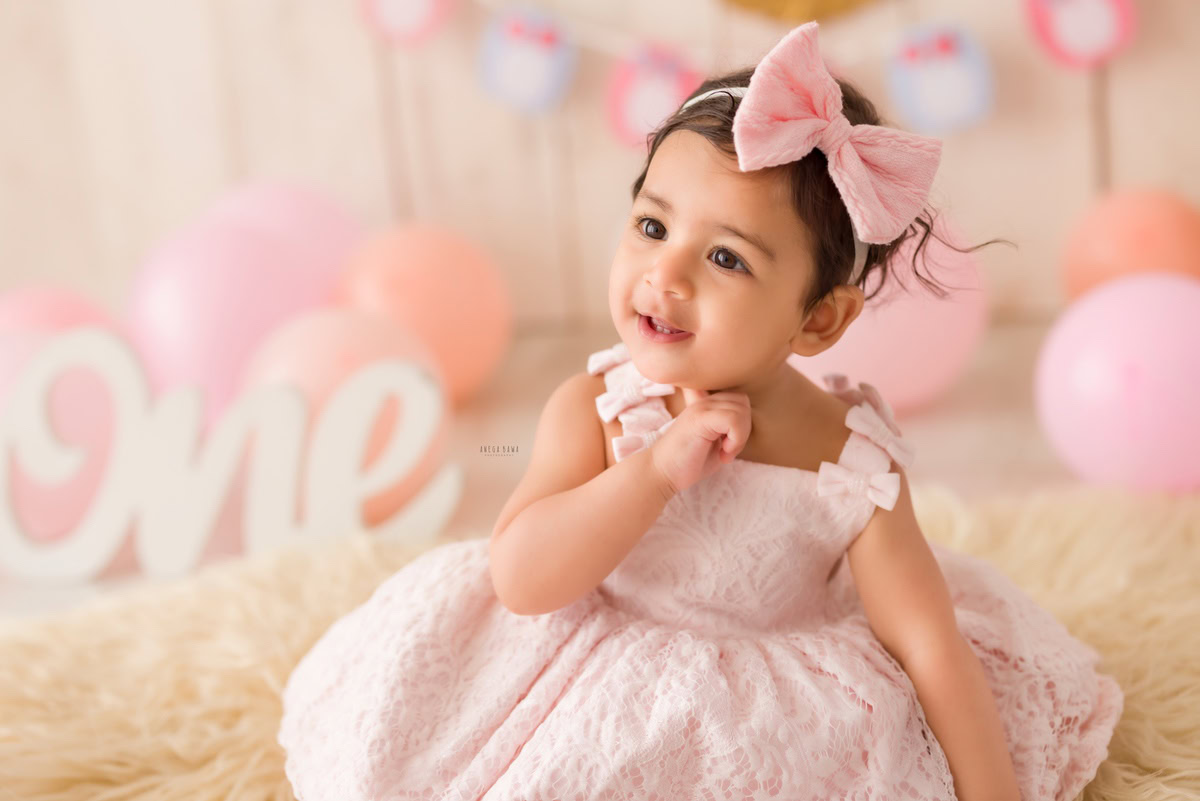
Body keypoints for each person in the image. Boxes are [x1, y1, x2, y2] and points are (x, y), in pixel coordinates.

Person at [277, 21, 1123, 800]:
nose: (666, 274)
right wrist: (650, 472)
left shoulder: (849, 462)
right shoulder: (599, 410)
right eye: (652, 227)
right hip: (593, 673)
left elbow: (927, 641)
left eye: (725, 257)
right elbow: (523, 579)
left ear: (818, 319)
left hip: (773, 708)